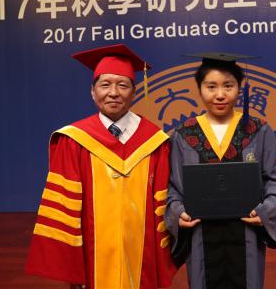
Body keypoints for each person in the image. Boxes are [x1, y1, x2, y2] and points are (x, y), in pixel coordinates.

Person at [26, 44, 178, 289]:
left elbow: (163, 204)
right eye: (105, 84)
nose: (113, 93)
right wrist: (74, 267)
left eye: (123, 85)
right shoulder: (73, 140)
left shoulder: (155, 142)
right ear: (93, 91)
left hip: (143, 255)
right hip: (91, 254)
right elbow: (65, 209)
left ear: (134, 92)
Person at [165, 53, 276, 289]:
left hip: (246, 231)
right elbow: (174, 186)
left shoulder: (258, 130)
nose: (220, 94)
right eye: (211, 86)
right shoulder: (184, 134)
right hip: (201, 233)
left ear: (239, 88)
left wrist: (265, 211)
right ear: (199, 89)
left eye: (228, 86)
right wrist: (177, 212)